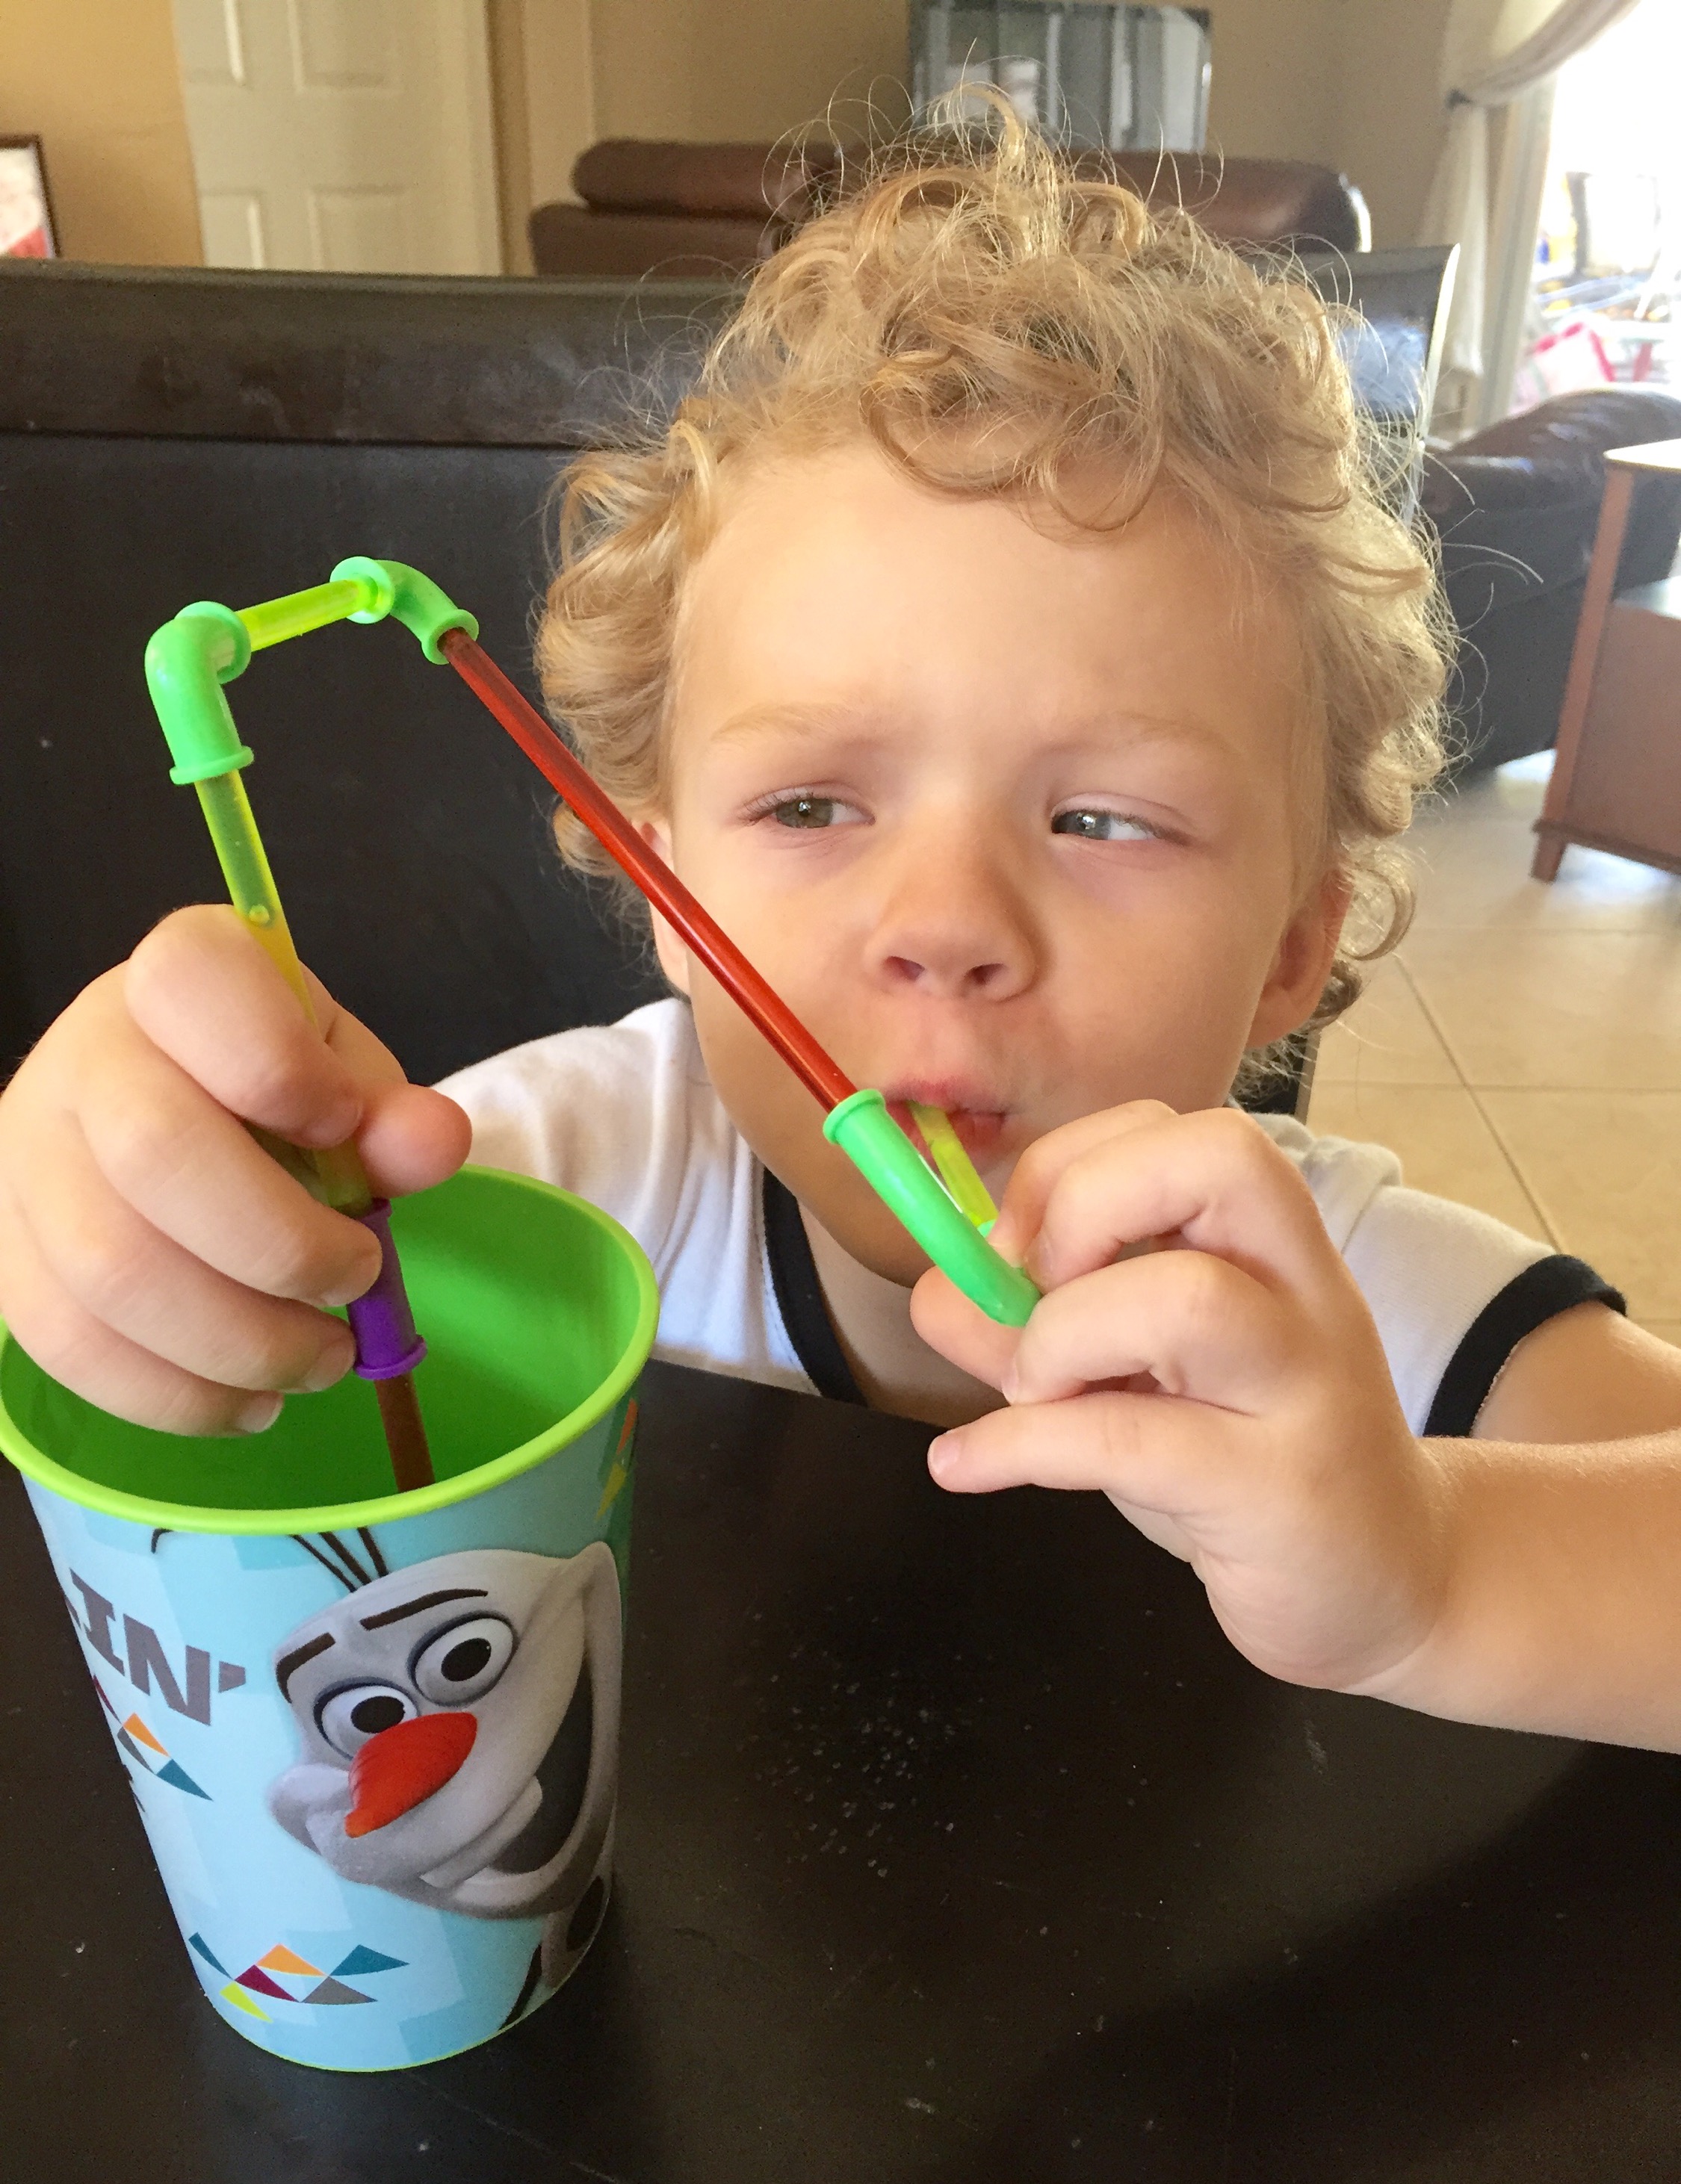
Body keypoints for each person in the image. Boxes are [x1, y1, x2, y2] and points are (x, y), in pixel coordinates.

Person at [2, 122, 1679, 1750]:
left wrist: (1433, 1567)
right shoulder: (558, 1188)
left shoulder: (1361, 1311)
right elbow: (217, 1346)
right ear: (662, 892)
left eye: (1102, 821)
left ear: (1293, 954)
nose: (943, 925)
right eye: (811, 805)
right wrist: (118, 1223)